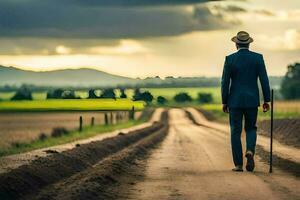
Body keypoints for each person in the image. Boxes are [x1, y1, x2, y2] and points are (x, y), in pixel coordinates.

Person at [221, 31, 271, 172]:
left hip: (234, 101)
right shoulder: (258, 58)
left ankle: (238, 165)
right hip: (251, 100)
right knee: (251, 128)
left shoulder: (230, 59)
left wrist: (224, 101)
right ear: (249, 43)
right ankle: (250, 150)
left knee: (235, 131)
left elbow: (224, 82)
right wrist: (267, 99)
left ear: (236, 44)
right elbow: (264, 80)